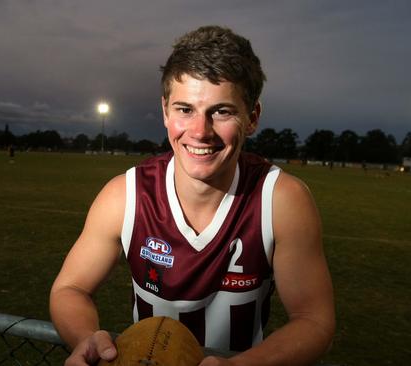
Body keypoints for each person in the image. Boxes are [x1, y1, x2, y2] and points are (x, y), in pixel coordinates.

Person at [50, 25, 335, 365]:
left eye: (222, 111)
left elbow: (314, 320)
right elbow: (70, 289)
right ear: (165, 110)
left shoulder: (280, 200)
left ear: (252, 117)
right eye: (185, 109)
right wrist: (85, 338)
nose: (200, 132)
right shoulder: (124, 196)